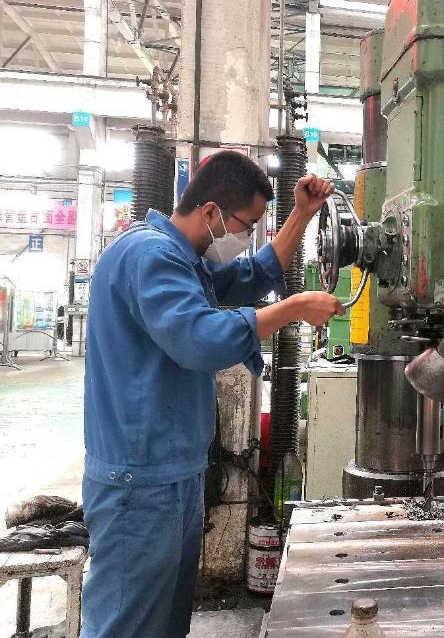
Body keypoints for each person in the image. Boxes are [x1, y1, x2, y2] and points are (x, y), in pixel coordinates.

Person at [80, 151, 343, 638]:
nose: (245, 238)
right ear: (210, 212)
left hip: (172, 473)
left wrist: (302, 214)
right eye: (246, 226)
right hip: (139, 481)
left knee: (164, 623)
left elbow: (252, 274)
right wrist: (293, 308)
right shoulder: (150, 256)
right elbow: (199, 340)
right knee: (125, 625)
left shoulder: (184, 260)